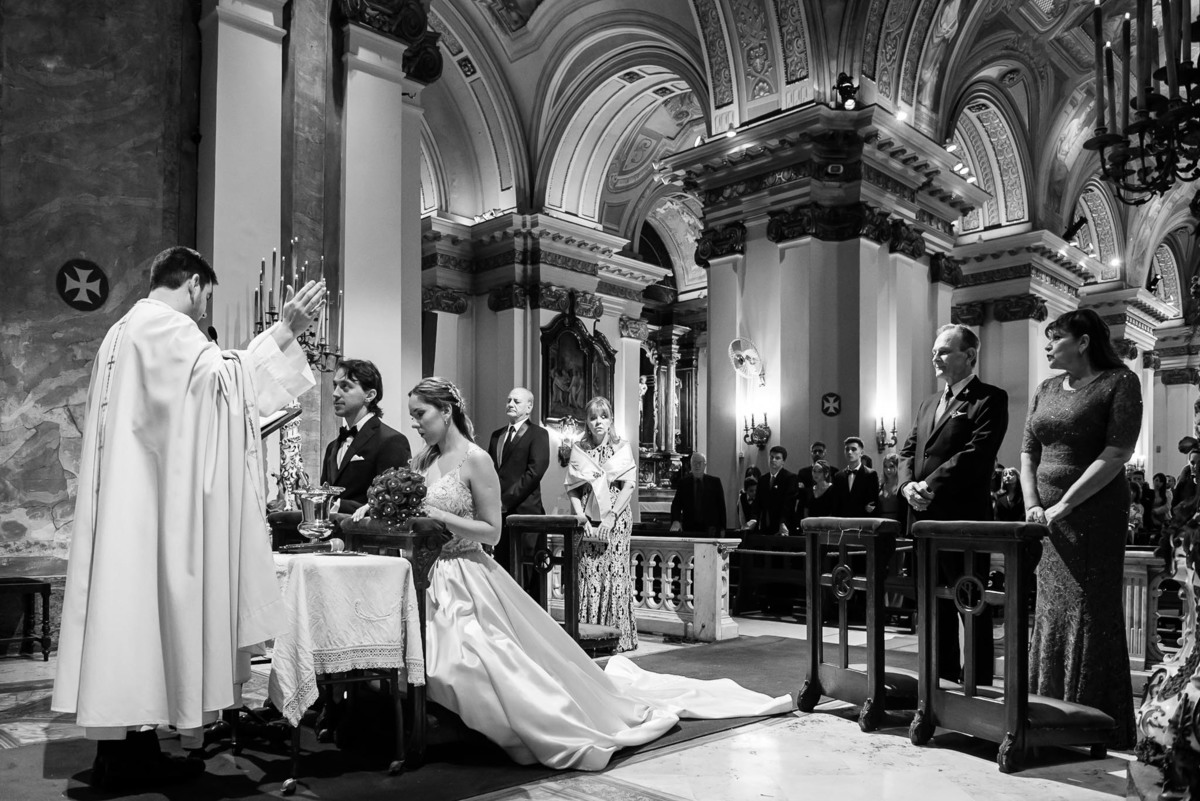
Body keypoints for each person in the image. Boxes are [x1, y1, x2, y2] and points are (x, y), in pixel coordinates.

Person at [396, 377, 791, 770]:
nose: (414, 422)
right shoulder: (423, 460)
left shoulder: (476, 459)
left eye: (420, 414)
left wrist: (441, 517)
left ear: (446, 412)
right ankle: (435, 723)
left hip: (465, 574)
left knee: (468, 662)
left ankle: (500, 723)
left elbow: (493, 531)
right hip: (424, 574)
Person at [51, 247, 324, 789]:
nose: (204, 310)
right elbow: (227, 388)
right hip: (150, 509)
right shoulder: (168, 330)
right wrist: (284, 332)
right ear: (195, 284)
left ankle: (126, 748)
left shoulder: (120, 333)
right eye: (207, 297)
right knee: (150, 617)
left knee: (130, 622)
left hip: (130, 504)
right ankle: (129, 752)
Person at [1021, 308, 1141, 749]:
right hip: (1045, 519)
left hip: (1093, 515)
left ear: (1084, 341)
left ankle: (1094, 720)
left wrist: (1065, 505)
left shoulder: (1120, 381)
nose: (1048, 345)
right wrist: (1034, 504)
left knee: (1088, 610)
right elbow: (1028, 451)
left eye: (1056, 338)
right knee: (1051, 610)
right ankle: (1046, 711)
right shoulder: (1046, 387)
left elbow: (1117, 453)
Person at [899, 323, 1008, 685]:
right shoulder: (929, 402)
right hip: (923, 521)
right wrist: (906, 487)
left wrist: (927, 486)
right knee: (933, 606)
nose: (936, 356)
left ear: (970, 355)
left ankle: (976, 685)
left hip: (963, 521)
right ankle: (940, 680)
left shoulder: (989, 398)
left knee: (969, 603)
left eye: (944, 350)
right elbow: (908, 451)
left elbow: (976, 454)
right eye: (935, 350)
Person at [565, 397, 639, 652]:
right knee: (589, 573)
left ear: (611, 421)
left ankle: (617, 636)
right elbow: (572, 489)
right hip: (587, 519)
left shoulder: (621, 447)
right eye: (593, 417)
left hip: (615, 520)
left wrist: (612, 516)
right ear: (586, 421)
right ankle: (588, 634)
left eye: (603, 416)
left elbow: (629, 485)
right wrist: (580, 517)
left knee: (614, 574)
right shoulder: (580, 450)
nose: (598, 422)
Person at [321, 359, 412, 512]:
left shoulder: (392, 441)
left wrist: (340, 506)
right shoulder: (332, 447)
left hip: (366, 534)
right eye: (335, 386)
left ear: (369, 395)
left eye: (345, 387)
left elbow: (393, 504)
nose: (335, 393)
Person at [487, 387, 550, 572]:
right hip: (500, 515)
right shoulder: (496, 436)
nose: (510, 404)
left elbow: (535, 472)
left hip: (526, 513)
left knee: (527, 571)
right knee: (503, 568)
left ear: (529, 407)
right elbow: (491, 471)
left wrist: (505, 500)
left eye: (516, 401)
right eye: (508, 400)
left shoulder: (538, 434)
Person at [669, 451, 727, 535]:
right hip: (690, 528)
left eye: (700, 463)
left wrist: (722, 528)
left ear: (705, 465)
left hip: (711, 529)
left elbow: (721, 506)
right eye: (694, 463)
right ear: (691, 466)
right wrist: (676, 521)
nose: (697, 466)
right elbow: (676, 505)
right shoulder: (683, 483)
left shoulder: (715, 482)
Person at [749, 446, 797, 534]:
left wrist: (783, 522)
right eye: (771, 457)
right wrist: (753, 519)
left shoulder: (790, 478)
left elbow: (788, 503)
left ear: (783, 462)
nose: (773, 460)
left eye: (777, 458)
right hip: (765, 525)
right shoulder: (763, 479)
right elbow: (757, 503)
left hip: (782, 525)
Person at [831, 437, 879, 516]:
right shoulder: (838, 476)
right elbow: (835, 504)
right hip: (842, 523)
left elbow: (872, 503)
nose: (849, 452)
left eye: (853, 449)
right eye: (847, 449)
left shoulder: (870, 474)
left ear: (861, 453)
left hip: (862, 522)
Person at [875, 452, 904, 524]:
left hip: (899, 523)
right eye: (885, 466)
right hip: (881, 524)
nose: (888, 470)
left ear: (897, 466)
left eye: (891, 466)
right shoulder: (880, 485)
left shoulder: (902, 485)